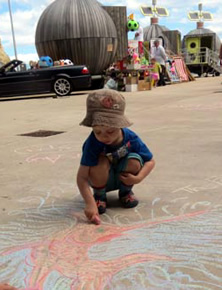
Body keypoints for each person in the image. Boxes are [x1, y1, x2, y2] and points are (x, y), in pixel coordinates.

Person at [77, 90, 155, 225]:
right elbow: (82, 177)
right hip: (101, 179)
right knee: (99, 161)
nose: (103, 136)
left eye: (110, 131)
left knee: (134, 160)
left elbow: (150, 161)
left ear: (120, 125)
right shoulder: (92, 143)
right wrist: (89, 203)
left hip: (124, 178)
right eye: (97, 132)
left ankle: (125, 193)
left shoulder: (131, 138)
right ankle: (100, 197)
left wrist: (138, 178)